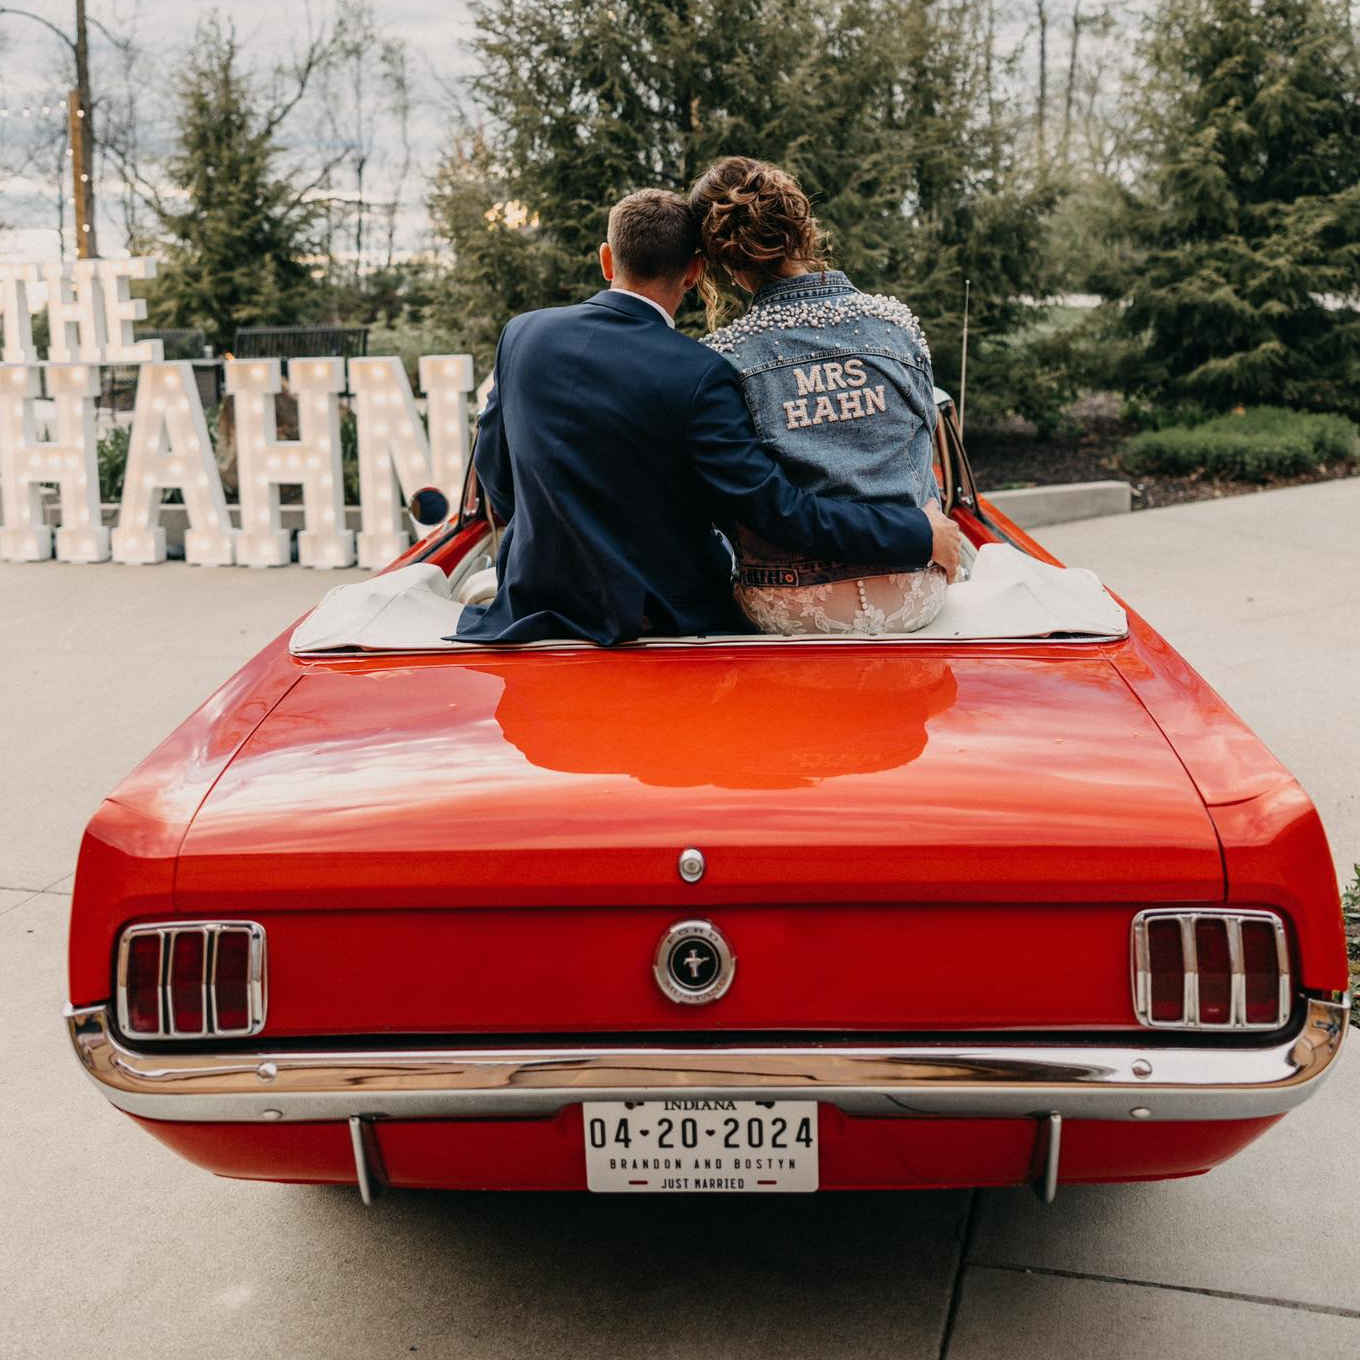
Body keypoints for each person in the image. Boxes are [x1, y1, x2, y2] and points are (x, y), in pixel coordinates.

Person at [454, 188, 961, 645]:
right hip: (658, 615)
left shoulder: (522, 336)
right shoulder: (700, 371)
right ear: (695, 272)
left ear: (608, 259)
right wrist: (916, 532)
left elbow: (496, 471)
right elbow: (769, 508)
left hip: (533, 602)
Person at [690, 156, 951, 635]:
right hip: (912, 589)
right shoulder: (897, 326)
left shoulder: (721, 357)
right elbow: (923, 449)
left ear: (727, 264)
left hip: (789, 600)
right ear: (804, 230)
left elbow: (746, 501)